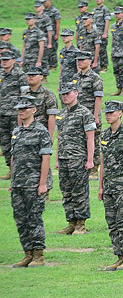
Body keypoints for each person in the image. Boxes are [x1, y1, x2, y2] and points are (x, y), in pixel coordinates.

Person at [9, 96, 52, 268]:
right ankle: (27, 253)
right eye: (19, 108)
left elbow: (46, 158)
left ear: (33, 110)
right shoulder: (16, 131)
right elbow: (14, 157)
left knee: (34, 219)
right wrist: (13, 180)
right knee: (21, 219)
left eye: (25, 108)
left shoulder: (41, 131)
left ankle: (38, 255)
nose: (21, 111)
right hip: (19, 184)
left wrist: (42, 183)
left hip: (33, 183)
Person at [98, 100, 123, 271]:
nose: (108, 115)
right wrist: (100, 187)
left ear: (120, 113)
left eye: (112, 112)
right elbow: (103, 161)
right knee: (112, 223)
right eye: (106, 113)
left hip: (122, 186)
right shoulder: (105, 135)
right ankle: (120, 256)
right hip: (109, 187)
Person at [55, 83, 96, 235]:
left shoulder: (85, 113)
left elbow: (91, 138)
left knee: (79, 191)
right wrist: (58, 159)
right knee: (66, 191)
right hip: (64, 158)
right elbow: (60, 137)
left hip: (78, 158)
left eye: (68, 93)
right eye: (63, 94)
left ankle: (81, 224)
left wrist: (90, 160)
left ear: (76, 93)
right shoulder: (61, 114)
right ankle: (71, 222)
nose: (65, 96)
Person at [0, 52, 27, 179]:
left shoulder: (19, 74)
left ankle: (18, 170)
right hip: (2, 114)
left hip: (14, 115)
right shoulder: (1, 73)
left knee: (16, 142)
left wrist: (21, 114)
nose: (4, 62)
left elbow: (24, 95)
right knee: (5, 144)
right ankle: (11, 169)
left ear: (13, 60)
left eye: (7, 60)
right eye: (2, 60)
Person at [109, 9, 123, 95]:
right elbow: (113, 39)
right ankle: (118, 88)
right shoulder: (113, 26)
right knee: (116, 71)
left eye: (119, 13)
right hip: (115, 52)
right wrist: (111, 52)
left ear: (122, 14)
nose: (117, 15)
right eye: (116, 13)